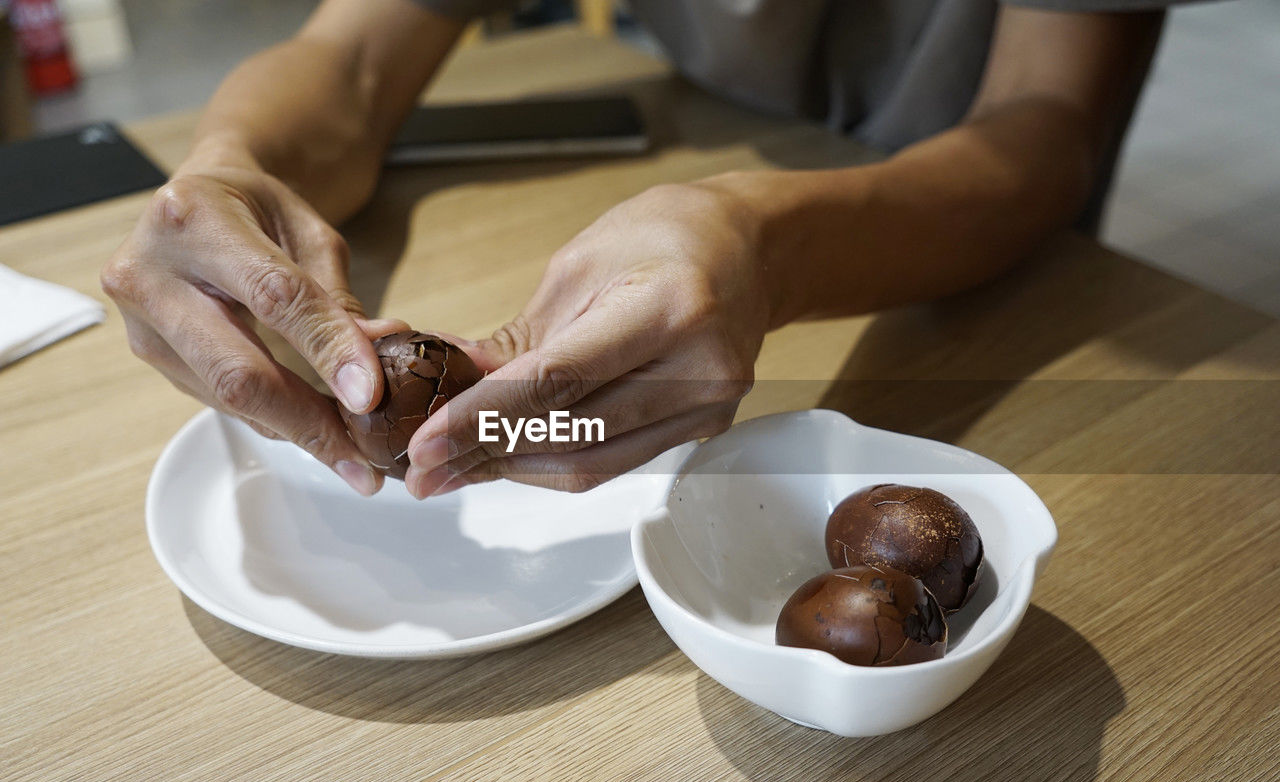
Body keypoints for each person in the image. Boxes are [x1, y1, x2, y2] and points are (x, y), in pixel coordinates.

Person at [101, 0, 1177, 499]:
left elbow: (1049, 125)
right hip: (666, 200)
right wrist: (230, 167)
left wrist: (766, 242)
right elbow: (354, 58)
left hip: (985, 274)